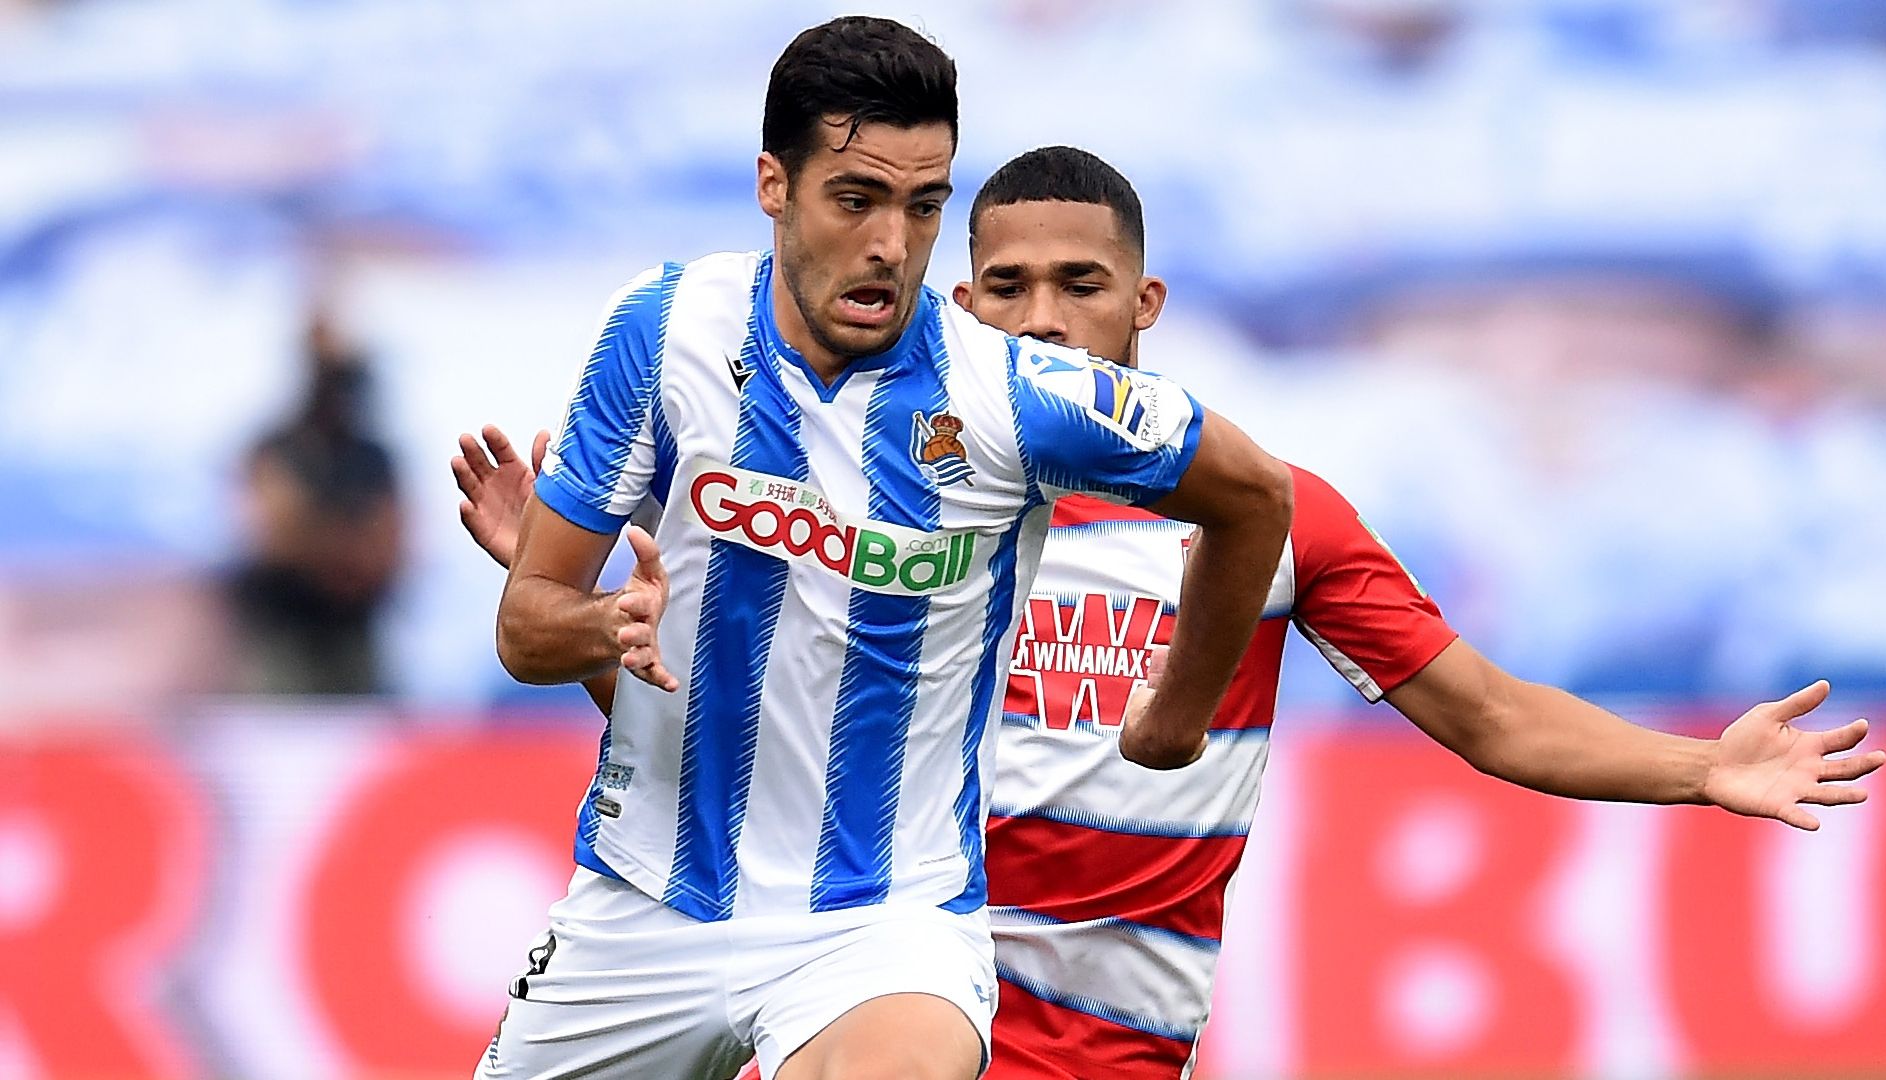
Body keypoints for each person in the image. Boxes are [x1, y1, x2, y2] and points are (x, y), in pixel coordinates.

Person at [456, 145, 1886, 1079]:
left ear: (1144, 305)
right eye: (1005, 290)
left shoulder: (1271, 513)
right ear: (960, 305)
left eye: (1081, 288)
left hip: (1104, 1052)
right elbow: (747, 762)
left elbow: (1493, 715)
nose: (1043, 320)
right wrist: (587, 619)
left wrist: (1704, 766)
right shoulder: (878, 499)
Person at [472, 17, 1296, 1080]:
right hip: (642, 905)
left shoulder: (1009, 394)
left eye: (923, 206)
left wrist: (1178, 717)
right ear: (775, 184)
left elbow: (1253, 492)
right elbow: (525, 627)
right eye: (856, 199)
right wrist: (598, 625)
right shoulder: (663, 328)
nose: (891, 246)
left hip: (882, 929)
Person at [229, 311, 402, 695]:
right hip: (285, 631)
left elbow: (388, 549)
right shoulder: (276, 447)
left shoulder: (372, 457)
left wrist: (312, 531)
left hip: (354, 631)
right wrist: (341, 543)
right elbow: (273, 540)